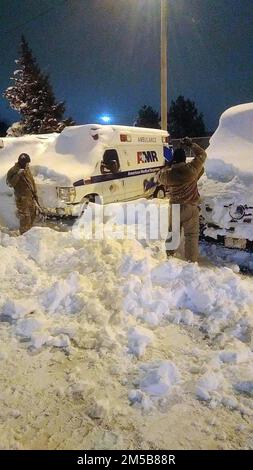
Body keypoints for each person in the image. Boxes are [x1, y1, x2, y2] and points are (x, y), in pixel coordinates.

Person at [158, 137, 207, 262]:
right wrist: (191, 144)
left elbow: (158, 176)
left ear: (174, 159)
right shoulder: (191, 170)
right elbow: (202, 154)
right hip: (190, 207)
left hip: (175, 207)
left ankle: (169, 258)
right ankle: (191, 262)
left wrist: (168, 165)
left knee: (172, 233)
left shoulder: (167, 174)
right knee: (191, 235)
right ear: (185, 159)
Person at [6, 153, 38, 235]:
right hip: (22, 198)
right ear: (22, 162)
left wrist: (35, 192)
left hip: (30, 197)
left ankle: (30, 234)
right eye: (26, 163)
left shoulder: (27, 169)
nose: (28, 164)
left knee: (32, 214)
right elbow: (10, 184)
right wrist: (18, 175)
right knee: (25, 218)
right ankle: (24, 235)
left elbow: (31, 181)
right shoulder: (13, 170)